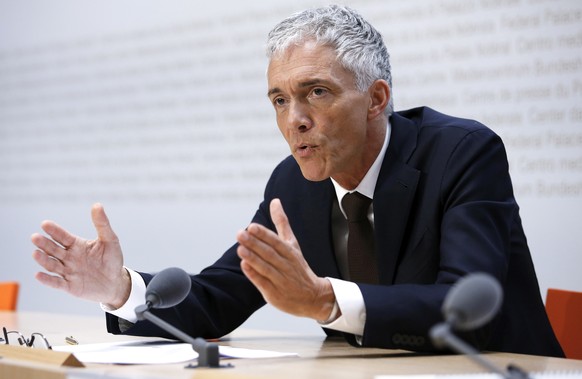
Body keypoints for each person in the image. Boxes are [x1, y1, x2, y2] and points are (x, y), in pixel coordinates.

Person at [31, 5, 563, 357]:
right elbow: (220, 297)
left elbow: (467, 309)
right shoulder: (293, 181)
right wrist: (122, 290)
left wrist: (326, 301)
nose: (294, 121)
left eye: (317, 93)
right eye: (280, 100)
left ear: (377, 99)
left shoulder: (462, 153)